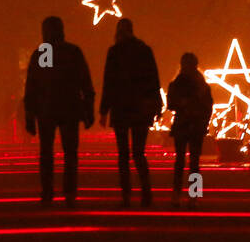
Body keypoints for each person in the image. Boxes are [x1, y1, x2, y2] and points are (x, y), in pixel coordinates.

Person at [23, 16, 95, 206]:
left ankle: (48, 191)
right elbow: (84, 82)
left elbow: (33, 85)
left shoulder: (43, 53)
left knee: (47, 152)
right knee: (70, 153)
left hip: (46, 109)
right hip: (70, 108)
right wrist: (88, 109)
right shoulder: (73, 51)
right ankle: (69, 192)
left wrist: (30, 115)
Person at [99, 18, 162, 207]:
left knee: (123, 154)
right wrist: (156, 105)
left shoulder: (114, 52)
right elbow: (154, 80)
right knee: (139, 152)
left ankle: (126, 194)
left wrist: (104, 110)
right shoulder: (144, 50)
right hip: (141, 108)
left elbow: (108, 82)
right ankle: (146, 191)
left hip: (120, 108)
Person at [166, 52, 213, 207]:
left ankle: (176, 194)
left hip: (182, 124)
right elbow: (208, 107)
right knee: (194, 162)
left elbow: (171, 104)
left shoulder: (176, 83)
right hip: (197, 126)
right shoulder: (202, 85)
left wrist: (182, 104)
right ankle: (194, 196)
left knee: (180, 161)